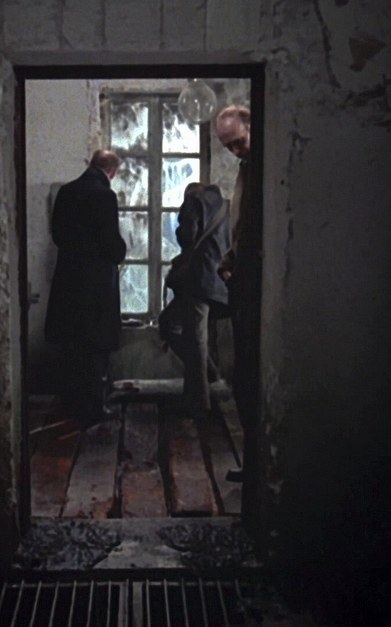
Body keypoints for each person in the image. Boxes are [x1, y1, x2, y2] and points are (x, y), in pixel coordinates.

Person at [44, 149, 127, 423]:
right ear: (112, 172)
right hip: (97, 284)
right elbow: (111, 244)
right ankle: (94, 407)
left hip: (69, 279)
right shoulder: (105, 196)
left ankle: (71, 404)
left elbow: (57, 235)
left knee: (73, 345)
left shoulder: (66, 192)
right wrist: (121, 251)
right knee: (96, 347)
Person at [214, 105, 261, 481]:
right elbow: (243, 226)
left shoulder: (266, 168)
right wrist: (230, 260)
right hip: (244, 280)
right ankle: (255, 460)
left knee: (250, 374)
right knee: (242, 374)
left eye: (238, 142)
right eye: (227, 146)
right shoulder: (248, 168)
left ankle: (259, 461)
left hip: (258, 282)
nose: (234, 150)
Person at [163, 182, 231, 420]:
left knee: (196, 340)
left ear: (190, 194)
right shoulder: (227, 207)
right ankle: (209, 374)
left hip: (197, 279)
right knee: (170, 324)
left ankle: (198, 404)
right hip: (216, 281)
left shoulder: (194, 201)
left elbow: (186, 235)